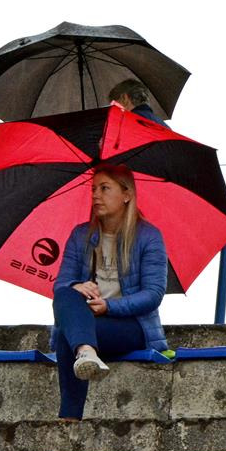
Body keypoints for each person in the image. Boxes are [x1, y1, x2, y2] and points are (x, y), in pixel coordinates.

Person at [51, 164, 168, 420]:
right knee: (64, 294)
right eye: (93, 189)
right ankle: (87, 352)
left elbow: (153, 294)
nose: (96, 195)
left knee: (66, 336)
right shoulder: (81, 235)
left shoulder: (149, 236)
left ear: (126, 194)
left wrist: (109, 306)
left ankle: (69, 418)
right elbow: (61, 284)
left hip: (131, 325)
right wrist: (77, 286)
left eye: (104, 188)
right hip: (87, 321)